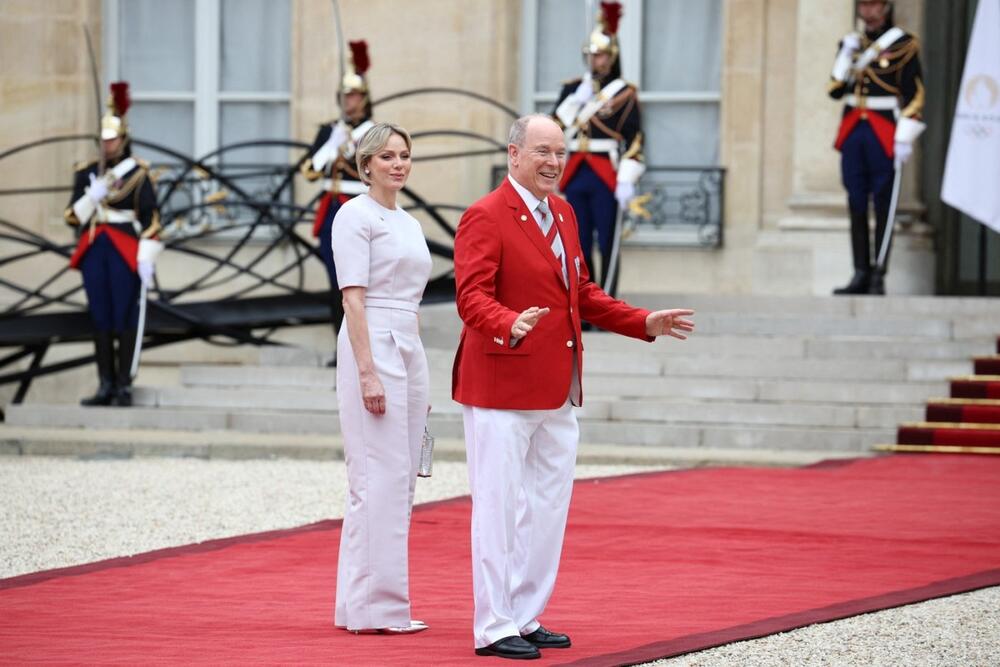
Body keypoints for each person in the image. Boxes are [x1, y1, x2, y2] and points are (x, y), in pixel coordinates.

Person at [451, 114, 694, 660]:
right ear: (513, 154)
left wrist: (642, 321)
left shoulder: (563, 212)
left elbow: (580, 291)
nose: (554, 163)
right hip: (500, 384)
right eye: (542, 151)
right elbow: (470, 296)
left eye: (559, 152)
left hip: (558, 386)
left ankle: (525, 614)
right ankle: (493, 626)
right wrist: (505, 322)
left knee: (546, 507)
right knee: (497, 507)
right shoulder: (484, 215)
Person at [331, 122, 432, 634]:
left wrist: (418, 378)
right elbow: (352, 298)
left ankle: (359, 605)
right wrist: (368, 373)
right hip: (370, 341)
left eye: (405, 155)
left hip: (408, 344)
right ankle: (380, 608)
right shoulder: (353, 215)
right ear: (366, 163)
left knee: (401, 478)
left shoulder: (410, 223)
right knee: (375, 479)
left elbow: (412, 297)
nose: (398, 164)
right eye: (387, 156)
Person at [64, 81, 161, 407]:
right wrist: (92, 197)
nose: (108, 146)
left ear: (124, 139)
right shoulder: (87, 173)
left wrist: (146, 258)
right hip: (95, 247)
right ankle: (105, 382)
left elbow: (151, 219)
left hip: (124, 247)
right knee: (100, 315)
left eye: (113, 140)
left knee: (124, 315)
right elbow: (72, 217)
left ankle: (123, 384)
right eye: (104, 141)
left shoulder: (138, 173)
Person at [828, 0, 925, 295]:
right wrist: (844, 56)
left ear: (886, 8)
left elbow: (915, 93)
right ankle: (860, 271)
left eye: (874, 5)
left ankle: (878, 272)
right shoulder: (852, 44)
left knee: (884, 202)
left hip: (885, 130)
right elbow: (834, 90)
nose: (868, 12)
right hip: (854, 130)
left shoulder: (904, 44)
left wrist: (906, 134)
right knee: (856, 200)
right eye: (864, 5)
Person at [552, 1, 643, 299]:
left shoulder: (624, 94)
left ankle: (608, 302)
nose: (594, 60)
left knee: (607, 241)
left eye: (600, 55)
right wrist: (576, 101)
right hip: (576, 172)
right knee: (578, 242)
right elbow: (554, 126)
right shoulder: (572, 89)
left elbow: (635, 139)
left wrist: (628, 177)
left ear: (611, 56)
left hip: (607, 173)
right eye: (590, 54)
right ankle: (584, 301)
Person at [301, 40, 375, 365]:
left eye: (355, 95)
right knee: (337, 282)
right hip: (333, 209)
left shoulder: (375, 132)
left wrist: (351, 147)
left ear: (365, 98)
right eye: (345, 96)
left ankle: (367, 345)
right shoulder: (330, 131)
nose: (350, 101)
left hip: (362, 206)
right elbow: (309, 171)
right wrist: (331, 144)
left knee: (365, 283)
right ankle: (342, 345)